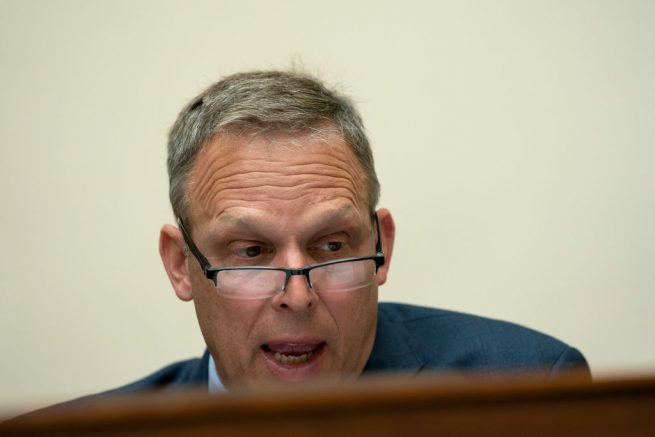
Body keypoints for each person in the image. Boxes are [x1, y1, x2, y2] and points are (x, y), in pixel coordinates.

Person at [41, 70, 592, 409]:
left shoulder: (526, 389)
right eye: (251, 252)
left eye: (331, 246)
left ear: (382, 246)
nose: (298, 296)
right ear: (182, 265)